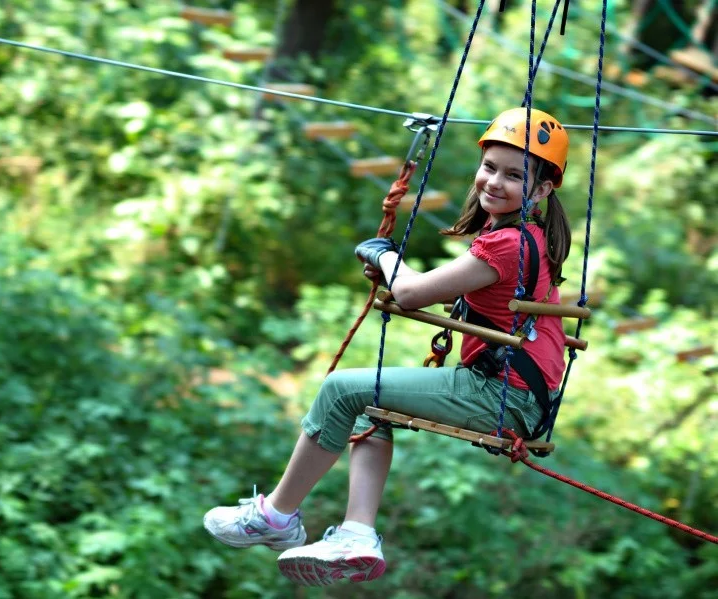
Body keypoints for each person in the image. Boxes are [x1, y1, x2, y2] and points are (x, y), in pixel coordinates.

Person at [203, 107, 572, 587]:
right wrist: (395, 268)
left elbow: (414, 292)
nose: (494, 182)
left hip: (505, 393)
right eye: (489, 168)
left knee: (340, 390)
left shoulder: (507, 245)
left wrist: (387, 256)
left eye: (515, 176)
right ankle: (357, 533)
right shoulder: (518, 237)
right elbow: (428, 287)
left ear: (542, 190)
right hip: (510, 390)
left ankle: (277, 516)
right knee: (368, 408)